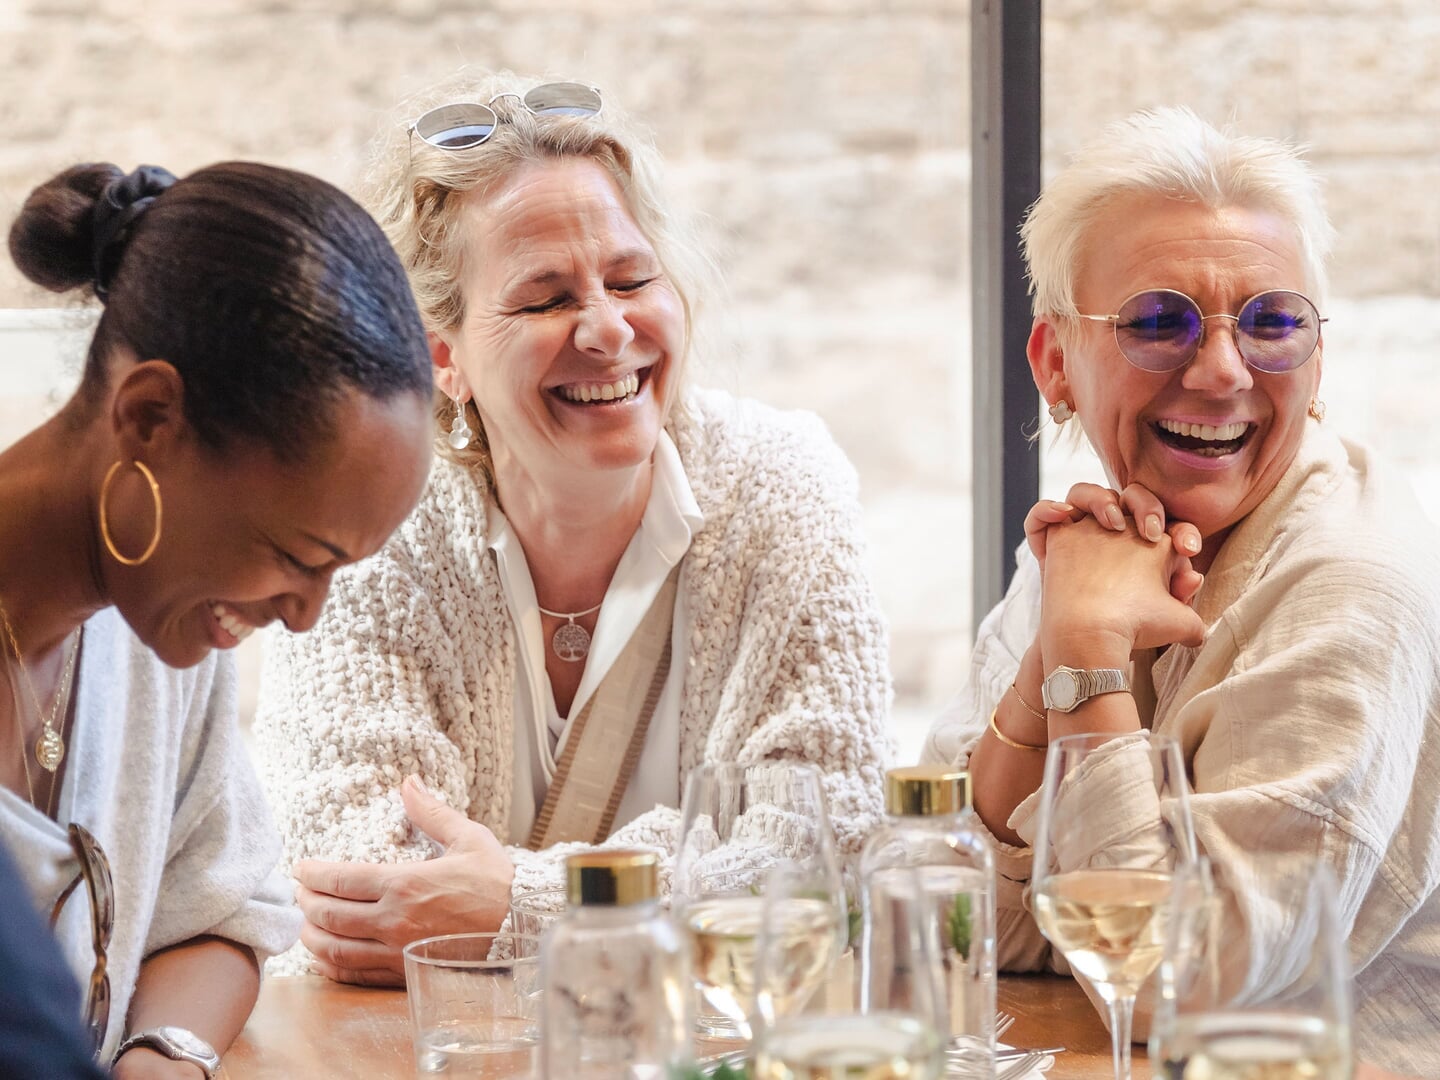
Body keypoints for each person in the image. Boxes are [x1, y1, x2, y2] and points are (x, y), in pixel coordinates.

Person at [253, 71, 892, 986]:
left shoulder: (786, 488)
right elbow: (360, 892)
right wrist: (689, 869)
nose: (607, 329)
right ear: (443, 354)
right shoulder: (376, 530)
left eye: (633, 278)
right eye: (546, 300)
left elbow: (827, 866)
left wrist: (520, 904)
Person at [923, 107, 1439, 1076]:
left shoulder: (1350, 588)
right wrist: (1065, 653)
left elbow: (1174, 987)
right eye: (1158, 323)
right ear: (1053, 365)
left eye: (1273, 322)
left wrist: (1079, 662)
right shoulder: (1104, 540)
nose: (1221, 370)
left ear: (1316, 359)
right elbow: (964, 919)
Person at [0, 160, 434, 1074]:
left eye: (337, 573)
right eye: (294, 556)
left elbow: (224, 913)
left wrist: (163, 1055)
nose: (307, 616)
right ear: (151, 416)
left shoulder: (159, 633)